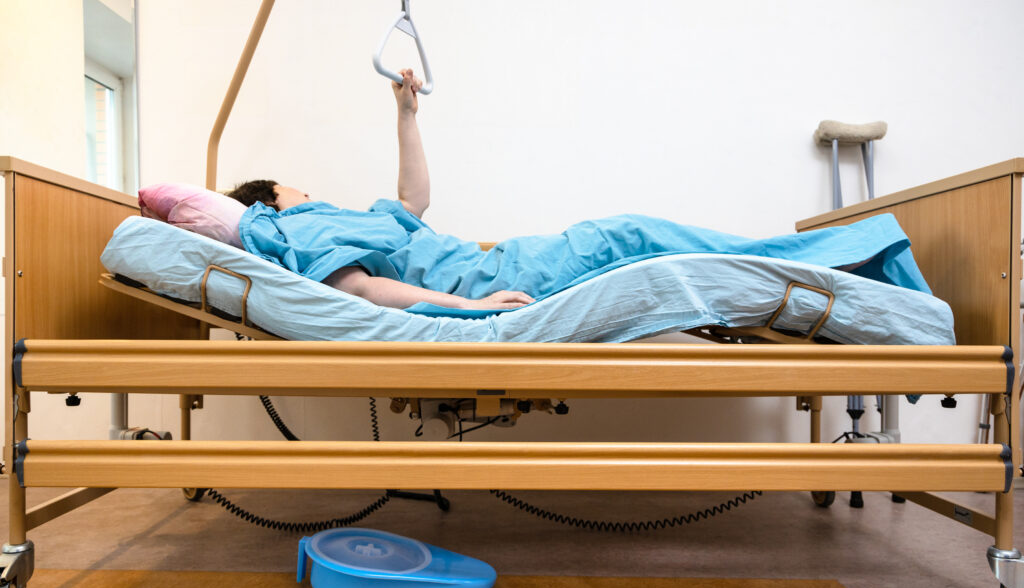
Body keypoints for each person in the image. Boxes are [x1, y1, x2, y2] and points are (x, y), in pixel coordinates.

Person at [228, 69, 931, 316]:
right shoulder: (298, 225)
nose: (305, 184)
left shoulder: (344, 218)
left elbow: (413, 202)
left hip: (525, 259)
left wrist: (406, 115)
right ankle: (857, 250)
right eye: (294, 184)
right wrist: (469, 306)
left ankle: (852, 252)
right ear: (273, 198)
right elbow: (362, 293)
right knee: (663, 245)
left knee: (686, 250)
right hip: (513, 274)